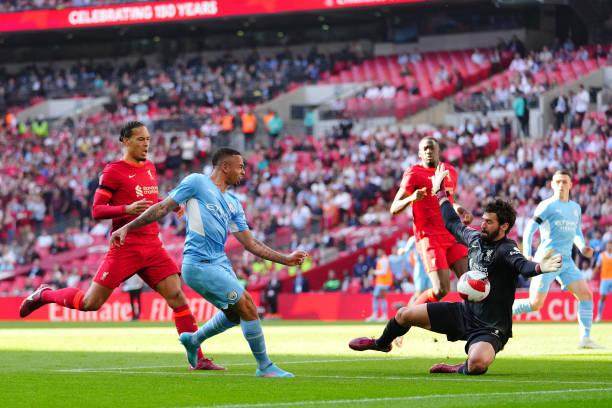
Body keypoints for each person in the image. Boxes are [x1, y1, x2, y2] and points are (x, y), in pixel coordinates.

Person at [19, 121, 221, 370]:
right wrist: (126, 209)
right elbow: (97, 210)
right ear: (125, 141)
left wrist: (169, 204)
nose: (146, 144)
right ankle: (45, 294)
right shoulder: (113, 171)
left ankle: (198, 359)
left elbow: (149, 200)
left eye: (148, 139)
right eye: (140, 139)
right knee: (90, 303)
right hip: (125, 246)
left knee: (177, 296)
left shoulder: (150, 167)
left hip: (152, 245)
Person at [110, 147, 308, 378]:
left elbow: (250, 243)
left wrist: (285, 259)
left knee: (235, 314)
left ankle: (194, 340)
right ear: (225, 167)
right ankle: (264, 366)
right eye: (240, 167)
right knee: (247, 305)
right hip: (198, 263)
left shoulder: (234, 203)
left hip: (220, 263)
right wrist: (128, 227)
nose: (243, 172)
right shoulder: (197, 182)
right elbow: (162, 207)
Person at [350, 165, 562, 375]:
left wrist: (539, 267)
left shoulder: (507, 249)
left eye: (489, 222)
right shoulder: (475, 238)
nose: (483, 225)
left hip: (491, 327)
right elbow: (451, 221)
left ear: (504, 226)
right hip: (463, 313)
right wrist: (439, 192)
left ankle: (458, 368)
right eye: (483, 220)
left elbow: (523, 266)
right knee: (404, 314)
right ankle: (381, 343)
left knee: (477, 364)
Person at [512, 170, 603, 349]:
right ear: (553, 184)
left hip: (566, 261)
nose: (561, 185)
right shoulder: (547, 205)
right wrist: (528, 254)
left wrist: (582, 247)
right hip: (546, 260)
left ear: (570, 185)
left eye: (564, 181)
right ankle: (504, 310)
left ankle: (585, 338)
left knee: (586, 295)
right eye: (558, 181)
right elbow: (530, 229)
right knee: (535, 304)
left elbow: (577, 232)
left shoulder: (575, 208)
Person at [390, 137, 472, 305]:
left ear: (438, 151)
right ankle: (406, 316)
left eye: (431, 148)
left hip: (451, 233)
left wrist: (460, 210)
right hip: (429, 236)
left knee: (469, 284)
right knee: (441, 290)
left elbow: (449, 201)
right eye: (425, 149)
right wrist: (412, 198)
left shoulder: (450, 171)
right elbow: (394, 208)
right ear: (419, 153)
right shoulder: (413, 173)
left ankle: (474, 321)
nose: (428, 151)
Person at [398, 235, 431, 304]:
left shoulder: (430, 236)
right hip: (420, 269)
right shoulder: (414, 239)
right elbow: (405, 250)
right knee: (419, 292)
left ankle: (427, 309)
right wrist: (401, 251)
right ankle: (409, 308)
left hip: (430, 267)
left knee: (431, 291)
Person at [366, 249, 392, 322]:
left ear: (383, 252)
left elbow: (383, 272)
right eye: (377, 252)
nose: (378, 253)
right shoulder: (381, 260)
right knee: (379, 298)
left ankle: (380, 315)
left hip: (383, 283)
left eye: (379, 251)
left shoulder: (384, 260)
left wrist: (373, 272)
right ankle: (380, 315)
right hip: (382, 282)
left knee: (379, 298)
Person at [595, 241, 612, 322]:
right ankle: (599, 315)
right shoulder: (602, 255)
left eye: (611, 246)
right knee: (602, 297)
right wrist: (592, 275)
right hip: (604, 279)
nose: (609, 247)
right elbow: (597, 266)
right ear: (606, 246)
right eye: (608, 245)